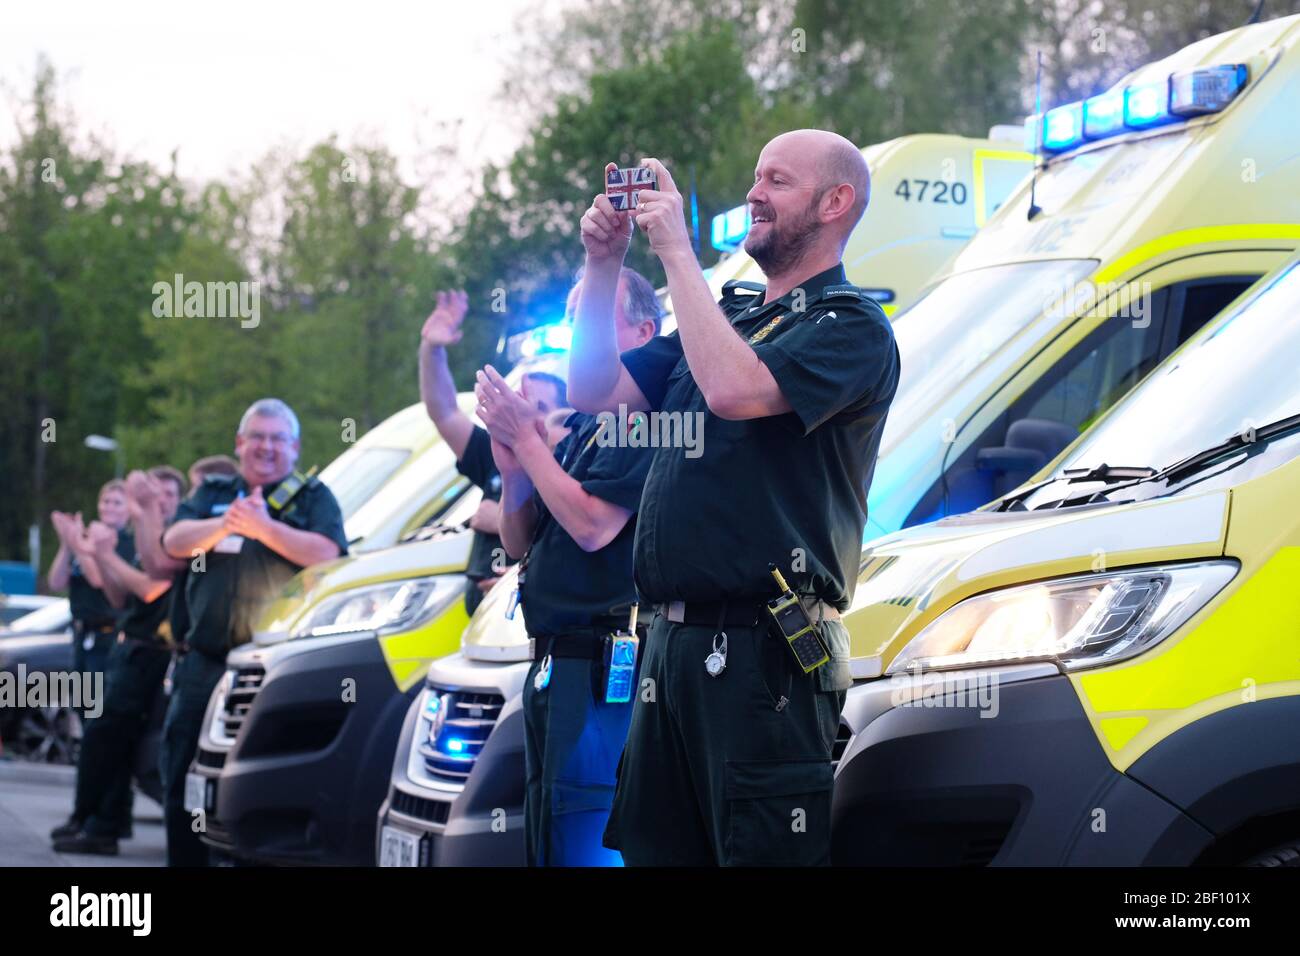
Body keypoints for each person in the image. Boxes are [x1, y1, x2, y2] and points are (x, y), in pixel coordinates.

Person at [570, 130, 901, 865]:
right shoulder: (729, 318)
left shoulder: (850, 328)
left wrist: (676, 252)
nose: (753, 193)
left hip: (764, 656)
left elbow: (733, 390)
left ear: (834, 201)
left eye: (776, 181)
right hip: (670, 647)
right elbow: (593, 390)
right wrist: (602, 266)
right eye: (755, 176)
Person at [474, 269, 661, 866]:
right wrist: (513, 468)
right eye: (574, 314)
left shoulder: (646, 420)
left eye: (594, 313)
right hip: (553, 655)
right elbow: (520, 539)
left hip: (601, 659)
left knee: (584, 829)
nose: (577, 330)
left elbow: (591, 527)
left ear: (644, 331)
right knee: (550, 830)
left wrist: (527, 442)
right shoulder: (584, 425)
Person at [158, 399, 348, 866]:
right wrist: (226, 522)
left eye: (277, 439)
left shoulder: (313, 497)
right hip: (202, 664)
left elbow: (328, 554)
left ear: (296, 447)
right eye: (257, 437)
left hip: (273, 671)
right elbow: (173, 541)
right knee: (183, 776)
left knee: (258, 781)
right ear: (239, 444)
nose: (266, 447)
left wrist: (264, 528)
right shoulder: (216, 492)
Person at [51, 465, 188, 856]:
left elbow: (150, 588)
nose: (156, 503)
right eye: (148, 496)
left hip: (149, 651)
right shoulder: (148, 540)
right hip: (126, 646)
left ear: (177, 502)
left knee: (107, 736)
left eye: (165, 497)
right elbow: (117, 596)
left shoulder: (172, 541)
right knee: (105, 738)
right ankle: (95, 821)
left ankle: (99, 823)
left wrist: (100, 554)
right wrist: (96, 554)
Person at [418, 289, 566, 614]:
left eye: (538, 405)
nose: (522, 410)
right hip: (483, 622)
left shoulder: (572, 467)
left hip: (527, 626)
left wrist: (500, 519)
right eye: (518, 399)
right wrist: (432, 348)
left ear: (565, 418)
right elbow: (443, 411)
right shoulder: (497, 452)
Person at [48, 480, 135, 696]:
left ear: (129, 509)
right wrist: (67, 545)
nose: (109, 507)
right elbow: (56, 582)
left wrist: (78, 545)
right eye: (106, 501)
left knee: (99, 704)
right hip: (81, 634)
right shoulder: (85, 540)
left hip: (108, 636)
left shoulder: (128, 542)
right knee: (80, 703)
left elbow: (98, 580)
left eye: (117, 502)